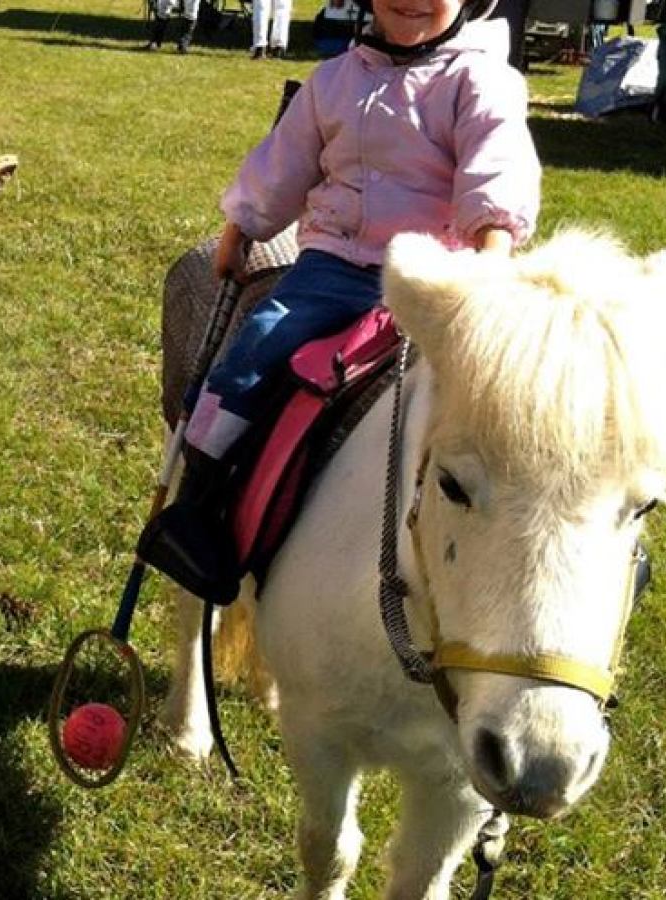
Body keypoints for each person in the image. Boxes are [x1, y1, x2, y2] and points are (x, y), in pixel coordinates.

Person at [138, 0, 541, 604]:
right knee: (250, 355)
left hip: (434, 271)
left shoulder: (480, 80)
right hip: (332, 266)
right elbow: (284, 161)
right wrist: (241, 225)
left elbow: (496, 165)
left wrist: (491, 250)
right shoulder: (333, 81)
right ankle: (200, 505)